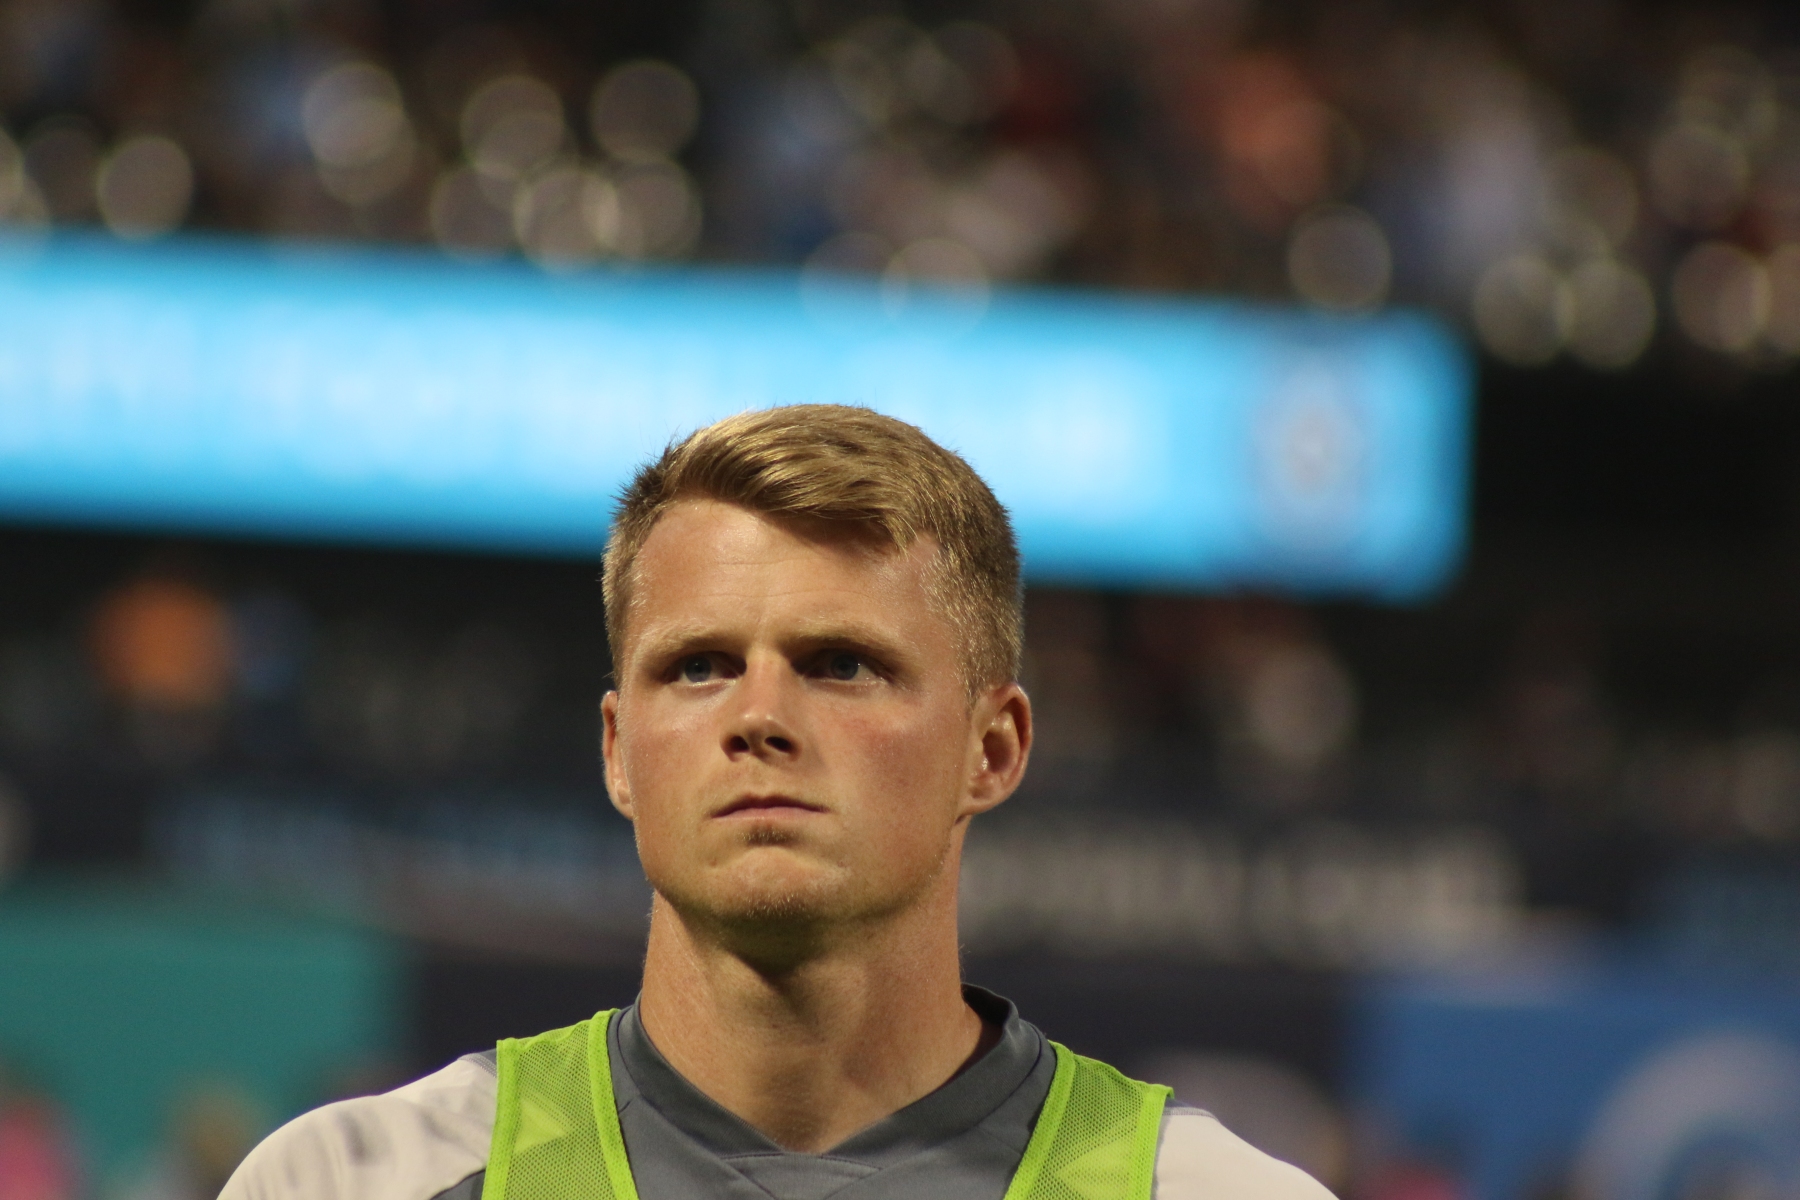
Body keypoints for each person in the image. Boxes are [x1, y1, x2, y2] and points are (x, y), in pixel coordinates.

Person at [221, 405, 1332, 1200]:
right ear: (618, 750)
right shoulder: (352, 1183)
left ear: (991, 749)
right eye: (697, 666)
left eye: (842, 665)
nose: (758, 716)